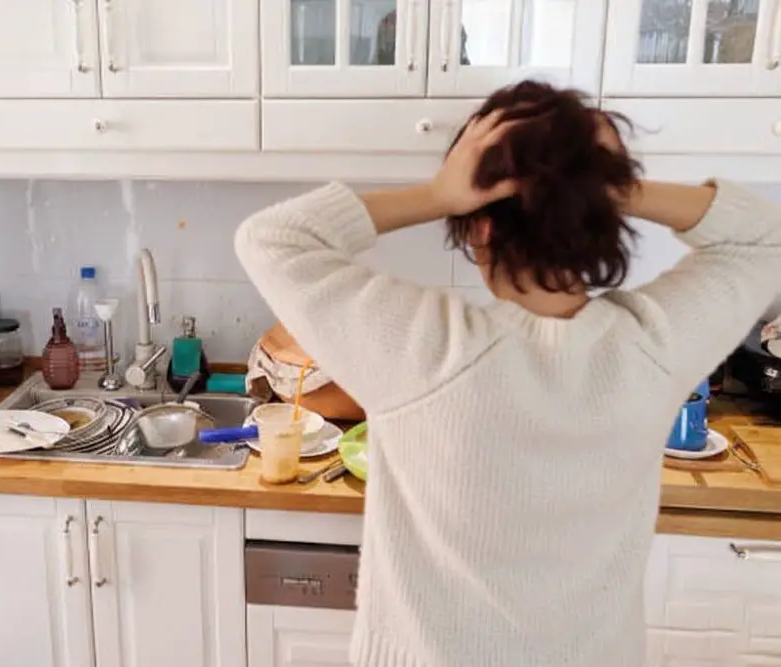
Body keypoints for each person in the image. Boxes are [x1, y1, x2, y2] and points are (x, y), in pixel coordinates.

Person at [234, 81, 781, 667]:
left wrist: (439, 194)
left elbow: (273, 239)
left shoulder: (427, 348)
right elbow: (761, 240)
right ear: (600, 219)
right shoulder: (652, 350)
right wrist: (608, 188)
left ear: (479, 225)